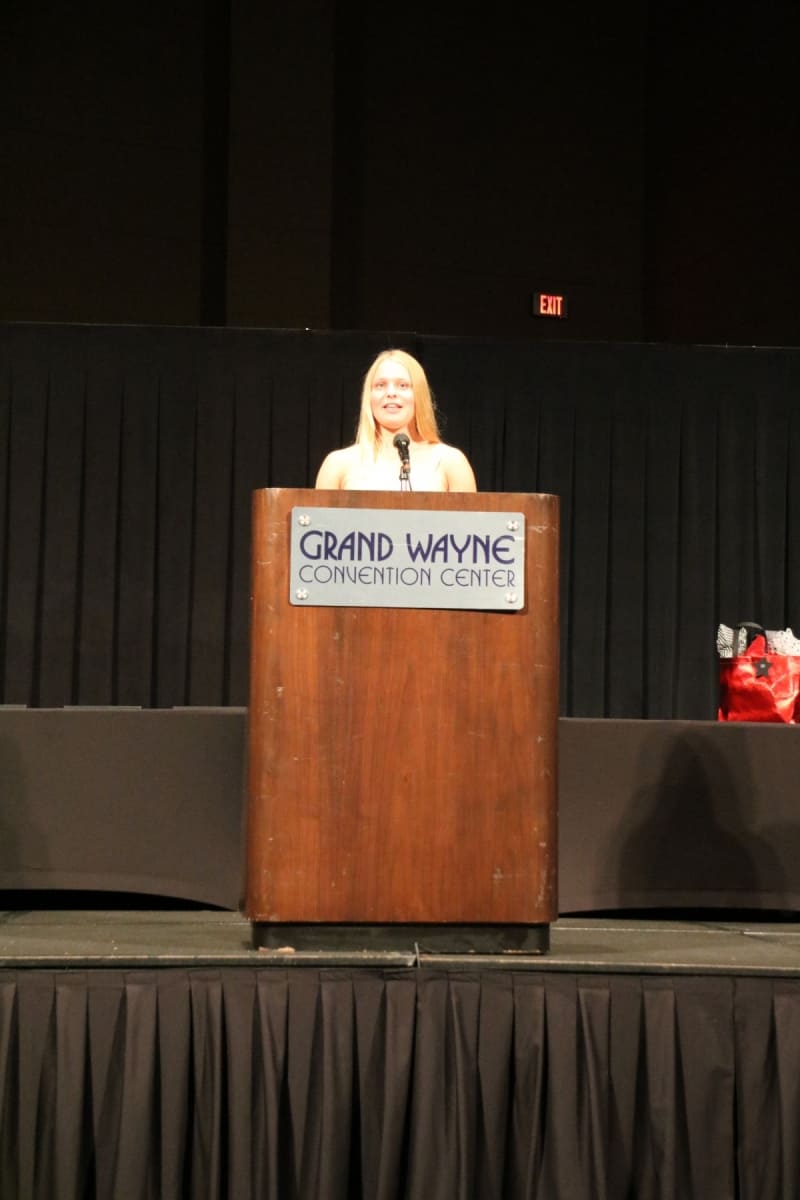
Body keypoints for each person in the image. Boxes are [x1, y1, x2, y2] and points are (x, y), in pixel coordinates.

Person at [315, 349, 477, 492]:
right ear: (369, 397)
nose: (391, 393)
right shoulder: (337, 465)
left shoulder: (451, 462)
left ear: (419, 395)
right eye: (380, 385)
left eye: (403, 385)